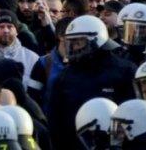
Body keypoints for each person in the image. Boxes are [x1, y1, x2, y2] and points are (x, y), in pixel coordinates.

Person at [48, 16, 136, 149]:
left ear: (95, 40)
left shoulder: (125, 71)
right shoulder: (64, 77)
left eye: (78, 43)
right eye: (70, 43)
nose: (73, 48)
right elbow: (55, 124)